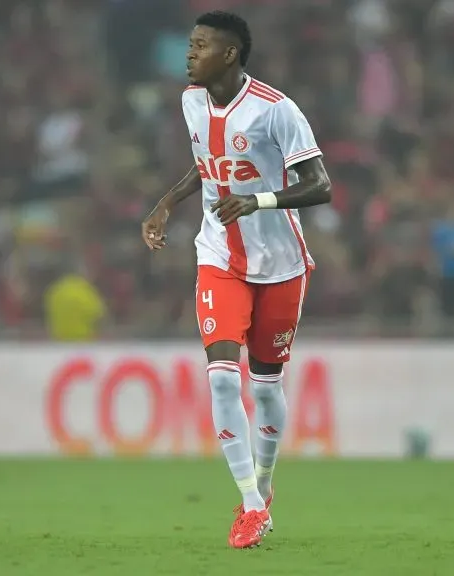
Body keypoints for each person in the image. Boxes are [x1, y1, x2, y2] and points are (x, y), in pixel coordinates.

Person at [141, 11, 331, 549]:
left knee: (267, 387)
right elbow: (208, 163)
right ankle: (249, 504)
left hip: (281, 264)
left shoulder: (277, 111)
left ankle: (265, 487)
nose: (189, 53)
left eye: (200, 45)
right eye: (189, 43)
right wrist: (165, 204)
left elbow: (320, 185)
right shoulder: (190, 101)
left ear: (228, 54)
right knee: (223, 377)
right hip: (218, 255)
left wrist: (258, 200)